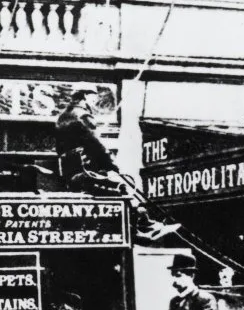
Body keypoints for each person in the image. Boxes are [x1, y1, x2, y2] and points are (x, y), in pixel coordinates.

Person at [55, 85, 180, 241]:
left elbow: (60, 149)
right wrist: (113, 165)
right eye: (94, 96)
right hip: (88, 172)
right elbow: (96, 145)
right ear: (85, 96)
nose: (96, 100)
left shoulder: (62, 118)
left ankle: (139, 224)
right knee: (123, 187)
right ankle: (139, 227)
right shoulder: (82, 116)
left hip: (72, 173)